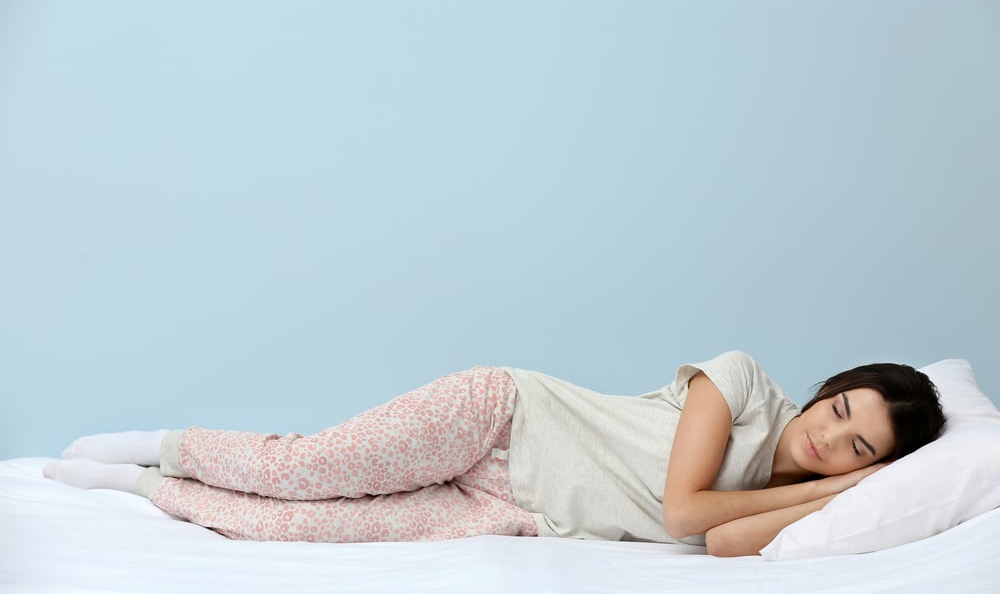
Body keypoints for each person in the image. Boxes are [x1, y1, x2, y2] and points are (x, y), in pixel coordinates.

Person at [43, 350, 945, 557]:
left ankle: (147, 486)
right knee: (306, 467)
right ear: (828, 385)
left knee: (298, 529)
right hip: (504, 419)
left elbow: (719, 544)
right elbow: (682, 512)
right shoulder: (742, 381)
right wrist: (840, 482)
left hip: (513, 507)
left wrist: (839, 495)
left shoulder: (808, 493)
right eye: (839, 407)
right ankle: (161, 442)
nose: (826, 433)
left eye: (852, 445)